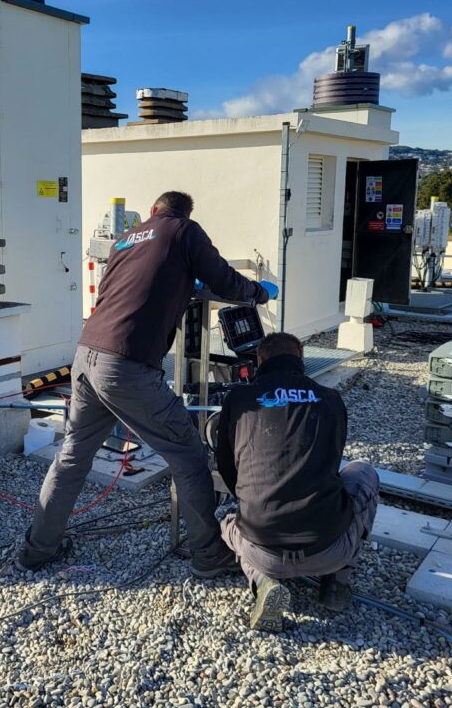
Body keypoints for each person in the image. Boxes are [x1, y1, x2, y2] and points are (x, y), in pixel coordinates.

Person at [16, 190, 274, 577]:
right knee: (188, 456)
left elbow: (111, 293)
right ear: (182, 213)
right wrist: (257, 294)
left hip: (86, 356)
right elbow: (222, 278)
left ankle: (37, 548)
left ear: (153, 210)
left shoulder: (125, 240)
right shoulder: (184, 231)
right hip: (127, 365)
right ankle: (208, 555)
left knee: (72, 456)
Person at [214, 332, 379, 631]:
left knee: (227, 521)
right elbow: (334, 461)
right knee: (364, 471)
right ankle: (337, 583)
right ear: (301, 358)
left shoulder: (238, 399)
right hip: (329, 548)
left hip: (262, 550)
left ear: (260, 360)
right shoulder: (331, 399)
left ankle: (263, 581)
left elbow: (226, 467)